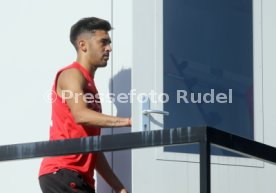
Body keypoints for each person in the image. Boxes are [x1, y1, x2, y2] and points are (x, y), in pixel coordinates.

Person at [38, 17, 130, 193]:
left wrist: (119, 188)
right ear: (83, 45)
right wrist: (129, 121)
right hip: (63, 172)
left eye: (109, 43)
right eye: (103, 42)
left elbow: (93, 149)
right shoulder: (71, 74)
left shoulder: (90, 87)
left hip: (80, 178)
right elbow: (80, 115)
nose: (109, 48)